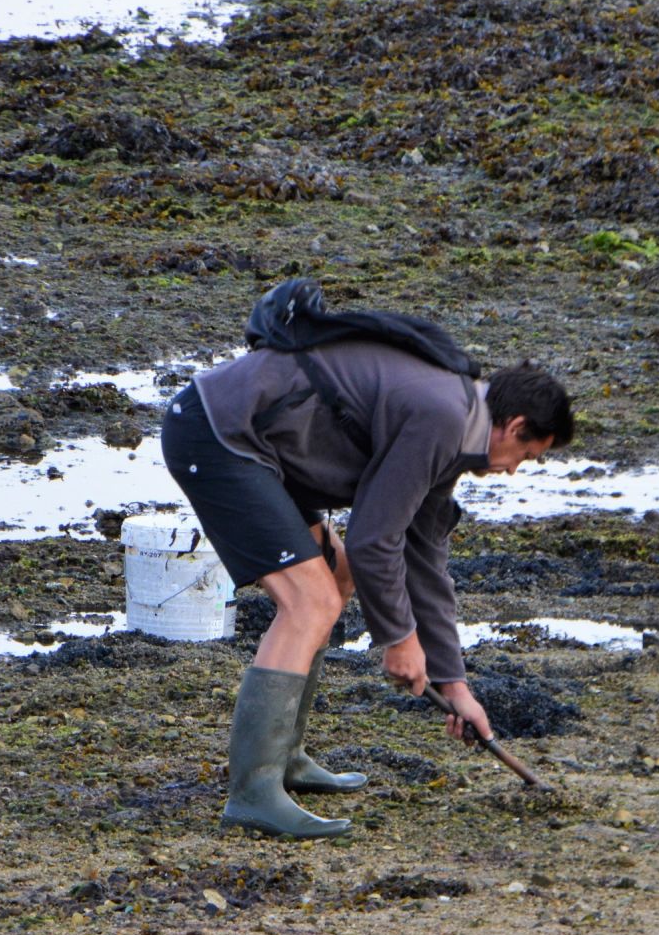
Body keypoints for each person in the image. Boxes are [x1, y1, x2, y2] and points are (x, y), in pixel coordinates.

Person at [161, 336, 573, 838]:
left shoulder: (455, 423)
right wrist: (399, 641)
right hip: (219, 433)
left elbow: (422, 556)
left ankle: (285, 758)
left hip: (260, 444)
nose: (512, 469)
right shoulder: (442, 417)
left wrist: (454, 684)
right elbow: (375, 539)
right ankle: (253, 792)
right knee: (310, 603)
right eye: (525, 455)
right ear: (515, 426)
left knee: (336, 576)